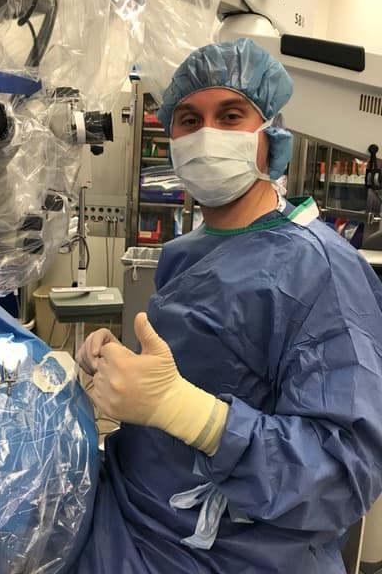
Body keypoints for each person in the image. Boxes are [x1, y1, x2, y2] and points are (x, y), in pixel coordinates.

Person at [73, 37, 382, 573]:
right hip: (137, 506)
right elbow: (207, 361)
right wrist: (122, 365)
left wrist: (187, 412)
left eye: (231, 115)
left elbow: (344, 473)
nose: (207, 134)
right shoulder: (187, 250)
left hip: (225, 552)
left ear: (270, 137)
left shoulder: (322, 272)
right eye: (189, 119)